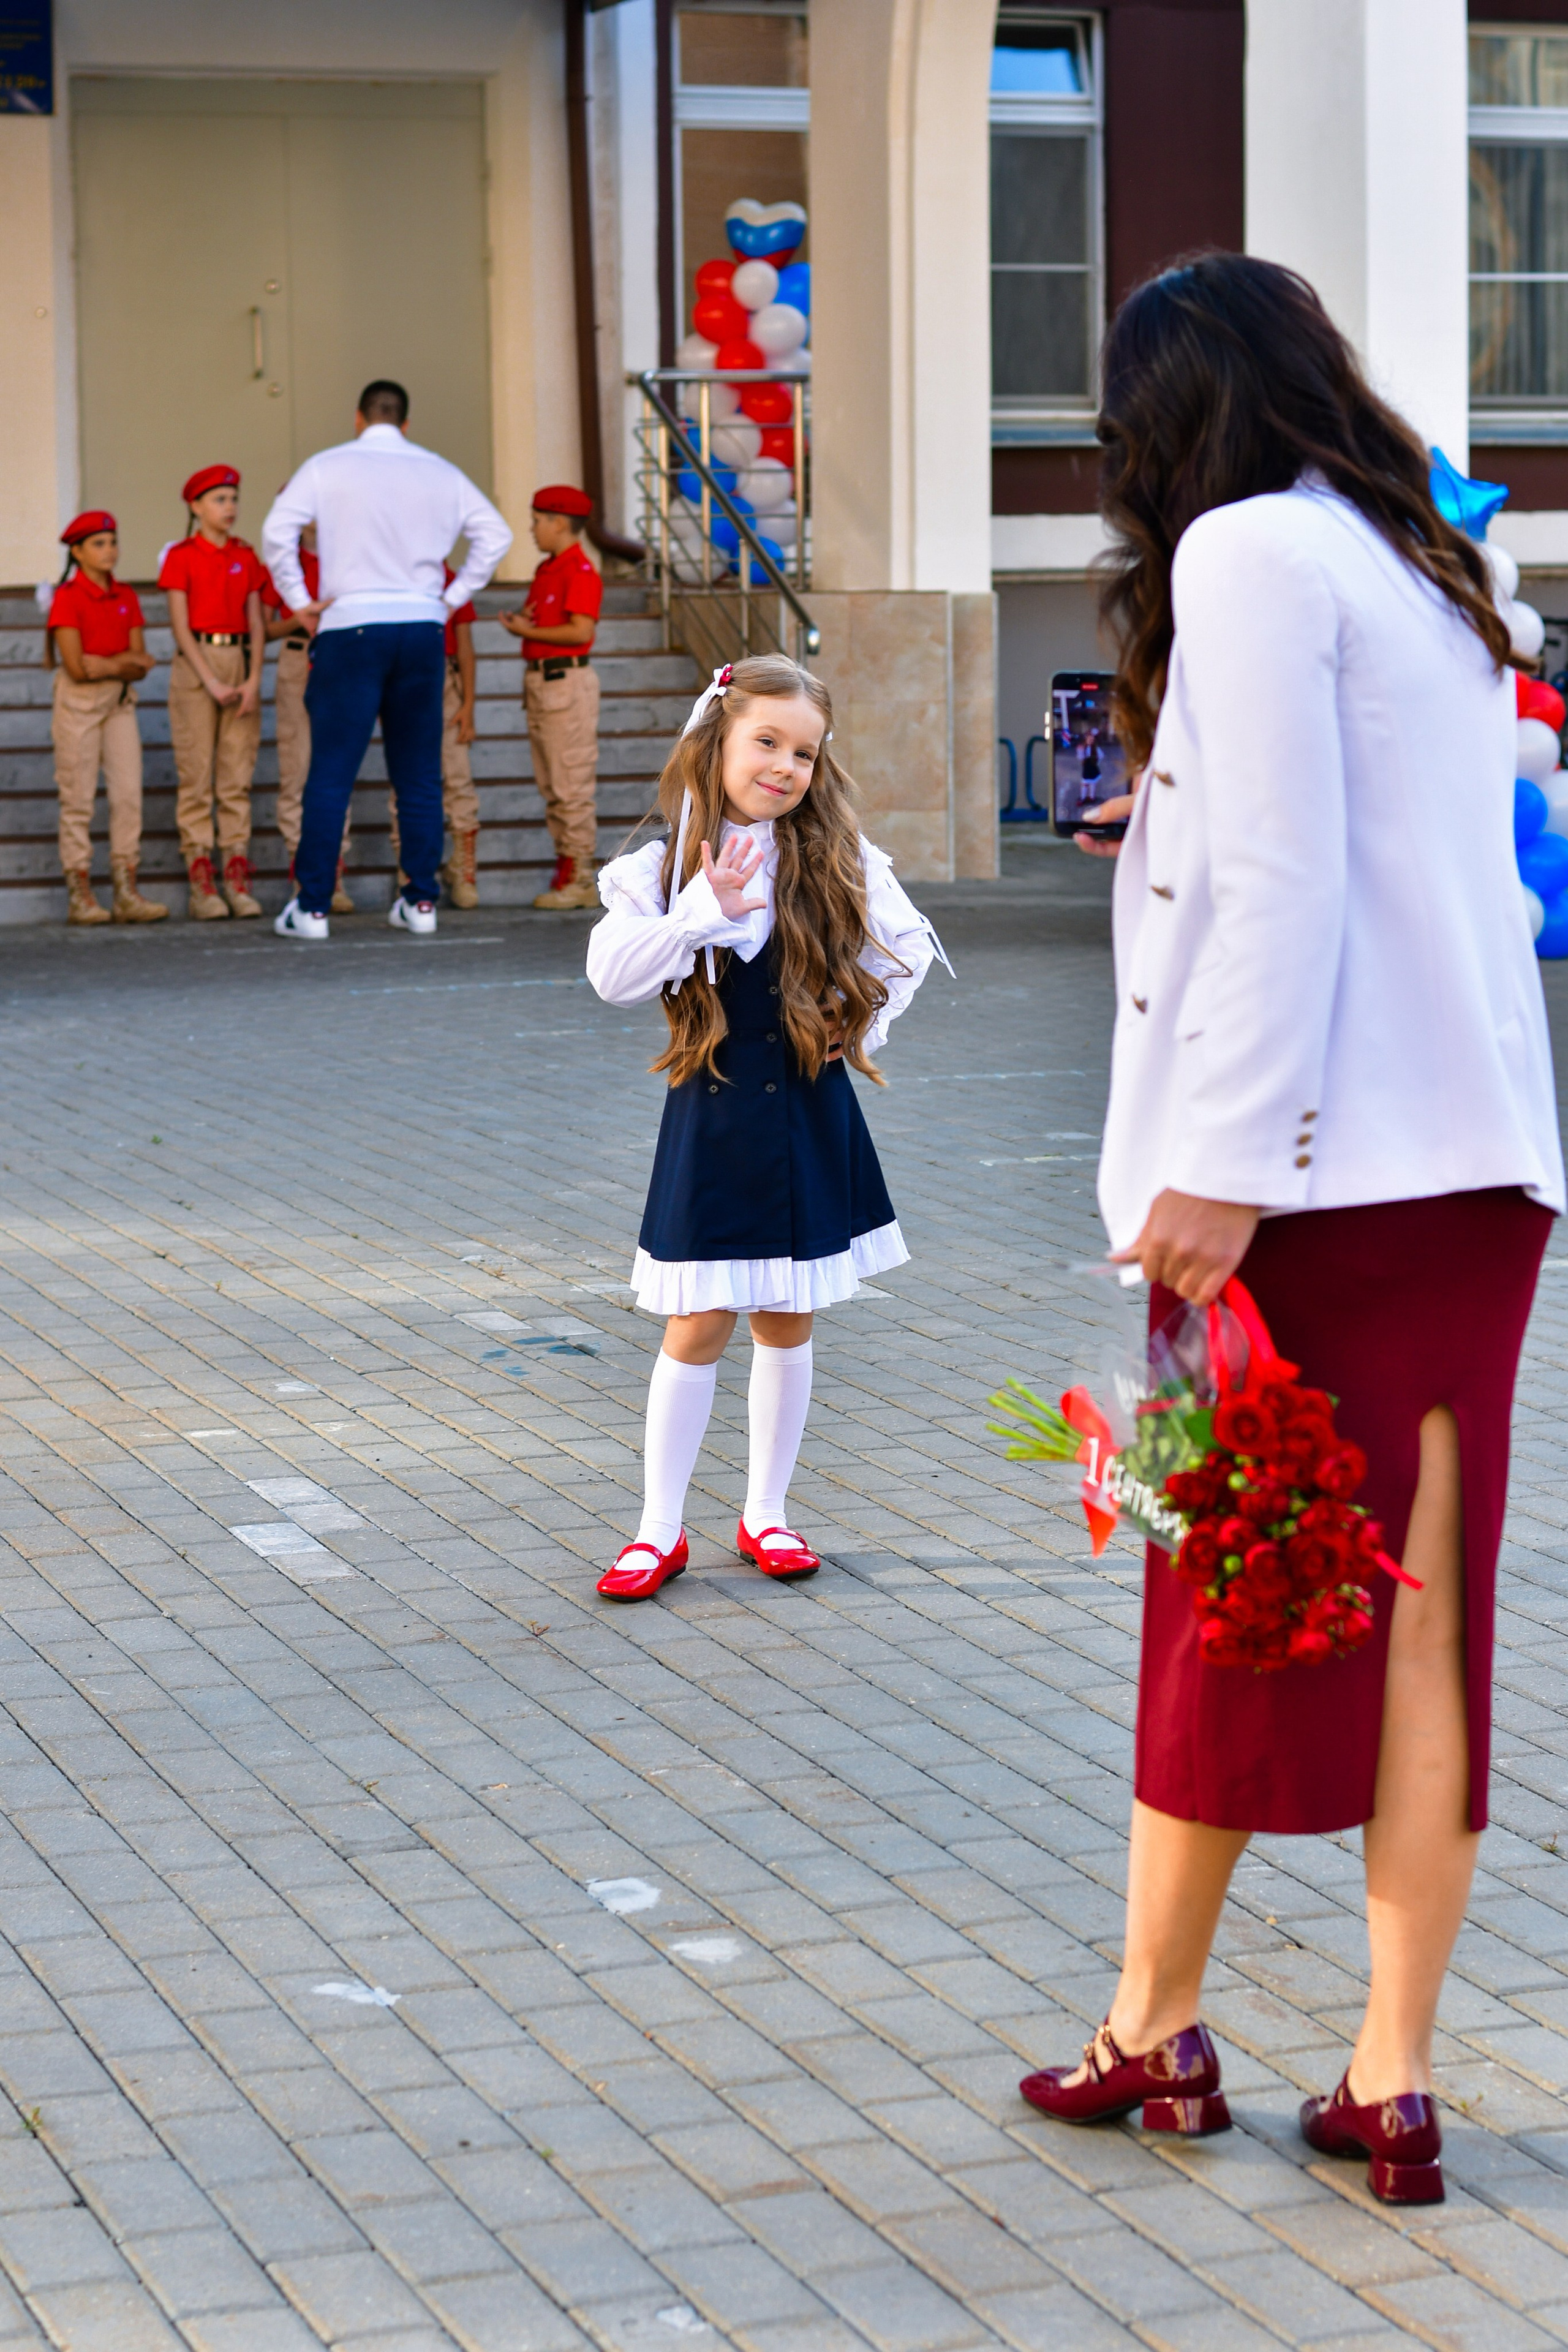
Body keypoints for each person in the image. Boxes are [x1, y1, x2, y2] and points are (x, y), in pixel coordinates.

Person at [1020, 254, 1564, 2208]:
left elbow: (1281, 889)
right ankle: (1389, 2079)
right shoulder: (1426, 565)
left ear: (1173, 414)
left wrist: (1218, 1164)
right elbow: (1398, 845)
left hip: (1300, 1185)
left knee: (1227, 1607)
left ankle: (1150, 2032)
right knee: (1425, 1633)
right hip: (1470, 1172)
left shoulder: (1248, 552)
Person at [585, 655, 948, 1600]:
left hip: (808, 1112)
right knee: (698, 1319)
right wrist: (702, 912)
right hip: (713, 1114)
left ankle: (768, 1516)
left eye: (805, 753)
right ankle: (658, 1530)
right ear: (718, 739)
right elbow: (612, 977)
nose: (785, 766)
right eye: (767, 742)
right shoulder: (665, 866)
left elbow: (908, 950)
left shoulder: (837, 857)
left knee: (789, 1318)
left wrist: (849, 1023)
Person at [262, 378, 510, 941]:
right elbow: (495, 534)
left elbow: (278, 532)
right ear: (404, 422)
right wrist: (450, 598)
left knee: (330, 772)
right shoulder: (440, 470)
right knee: (419, 773)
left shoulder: (327, 466)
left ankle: (313, 908)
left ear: (358, 418)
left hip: (350, 626)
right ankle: (420, 901)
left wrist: (300, 602)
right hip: (422, 626)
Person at [158, 465, 268, 920]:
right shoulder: (182, 556)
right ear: (196, 506)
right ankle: (203, 881)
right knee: (197, 775)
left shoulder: (245, 554)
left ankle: (237, 877)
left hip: (238, 662)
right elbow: (181, 629)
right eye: (219, 499)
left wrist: (253, 679)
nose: (230, 507)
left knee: (235, 777)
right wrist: (212, 681)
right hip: (198, 667)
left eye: (234, 498)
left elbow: (257, 622)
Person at [45, 511, 165, 925]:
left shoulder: (126, 595)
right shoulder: (68, 597)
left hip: (118, 703)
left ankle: (126, 890)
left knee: (128, 797)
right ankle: (80, 893)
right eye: (98, 543)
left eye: (112, 541)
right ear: (77, 552)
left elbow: (143, 662)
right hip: (79, 705)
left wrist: (108, 664)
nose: (109, 550)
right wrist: (124, 662)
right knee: (78, 800)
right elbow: (78, 668)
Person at [502, 485, 603, 911]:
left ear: (560, 522)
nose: (533, 528)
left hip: (565, 683)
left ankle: (579, 876)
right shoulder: (550, 570)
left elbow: (581, 633)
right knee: (553, 782)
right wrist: (528, 622)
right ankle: (567, 868)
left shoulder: (578, 571)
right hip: (544, 683)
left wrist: (527, 632)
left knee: (569, 779)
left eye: (539, 520)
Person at [262, 524, 353, 914]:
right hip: (298, 656)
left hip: (340, 656)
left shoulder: (347, 557)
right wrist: (303, 617)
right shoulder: (284, 564)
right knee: (297, 769)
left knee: (336, 768)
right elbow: (266, 628)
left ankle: (334, 871)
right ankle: (304, 872)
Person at [387, 563, 480, 907]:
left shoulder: (451, 578)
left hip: (446, 681)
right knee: (407, 779)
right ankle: (409, 871)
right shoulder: (393, 573)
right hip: (406, 680)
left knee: (458, 777)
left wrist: (468, 705)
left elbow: (467, 648)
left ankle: (462, 870)